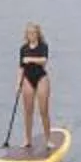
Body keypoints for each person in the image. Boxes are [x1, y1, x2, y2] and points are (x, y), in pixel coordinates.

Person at [15, 23, 53, 152]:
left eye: (33, 33)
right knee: (28, 111)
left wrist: (30, 59)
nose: (31, 35)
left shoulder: (43, 46)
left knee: (43, 110)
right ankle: (27, 140)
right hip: (27, 79)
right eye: (29, 33)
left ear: (38, 34)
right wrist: (18, 83)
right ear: (26, 35)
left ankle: (48, 140)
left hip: (41, 78)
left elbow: (43, 60)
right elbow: (21, 67)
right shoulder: (23, 48)